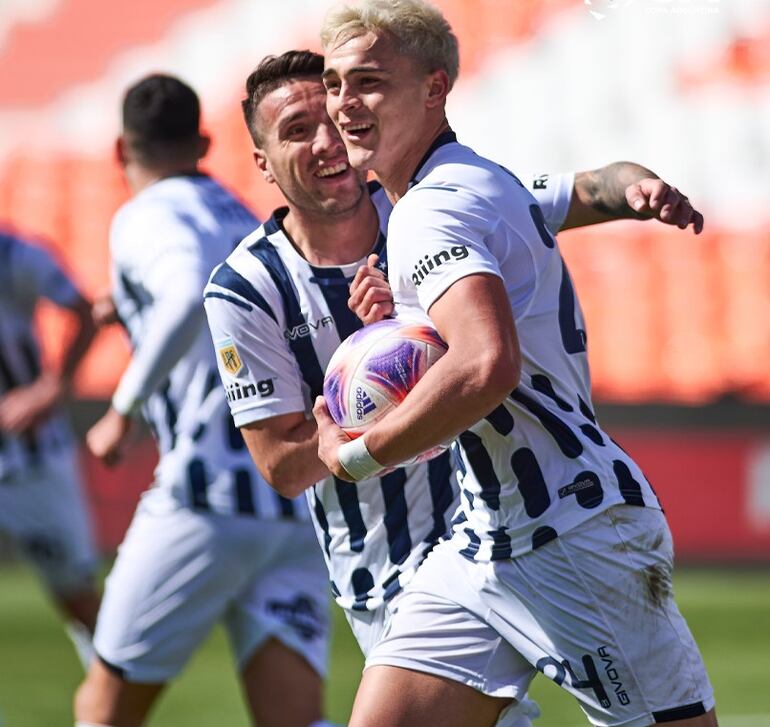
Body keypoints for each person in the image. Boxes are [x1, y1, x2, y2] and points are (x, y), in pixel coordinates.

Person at [206, 48, 710, 727]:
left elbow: (588, 191)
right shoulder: (246, 287)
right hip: (390, 569)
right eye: (297, 130)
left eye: (331, 117)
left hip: (520, 516)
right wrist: (342, 432)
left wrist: (637, 187)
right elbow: (281, 465)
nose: (327, 140)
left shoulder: (436, 204)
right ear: (262, 161)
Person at [74, 74, 333, 727]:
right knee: (295, 720)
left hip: (204, 497)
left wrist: (121, 409)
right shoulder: (239, 215)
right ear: (204, 142)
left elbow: (187, 287)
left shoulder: (143, 214)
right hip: (290, 501)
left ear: (119, 150)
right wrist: (129, 306)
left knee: (101, 709)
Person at [0, 229, 100, 669]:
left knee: (77, 596)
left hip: (30, 456)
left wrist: (52, 387)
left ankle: (109, 705)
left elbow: (86, 311)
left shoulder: (13, 254)